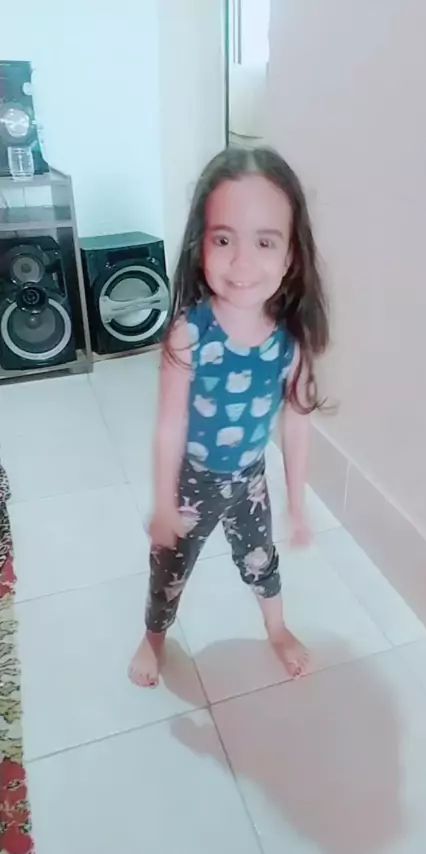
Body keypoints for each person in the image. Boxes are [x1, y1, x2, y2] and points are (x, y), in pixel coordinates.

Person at [128, 145, 329, 688]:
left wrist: (297, 504)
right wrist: (164, 504)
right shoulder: (189, 334)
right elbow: (169, 426)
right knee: (169, 568)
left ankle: (277, 628)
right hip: (193, 481)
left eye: (264, 241)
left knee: (260, 560)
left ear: (290, 255)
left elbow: (296, 422)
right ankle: (153, 637)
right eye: (223, 240)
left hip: (249, 479)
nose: (241, 263)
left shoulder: (290, 341)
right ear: (201, 247)